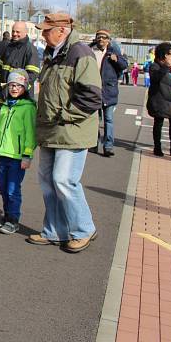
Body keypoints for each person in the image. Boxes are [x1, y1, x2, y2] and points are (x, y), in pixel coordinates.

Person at [28, 13, 101, 253]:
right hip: (51, 130)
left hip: (71, 131)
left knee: (64, 180)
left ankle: (84, 229)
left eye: (46, 30)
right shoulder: (52, 54)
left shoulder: (80, 53)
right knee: (48, 182)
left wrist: (64, 116)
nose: (42, 34)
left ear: (62, 30)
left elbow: (91, 96)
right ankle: (54, 231)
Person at [0, 68, 36, 235]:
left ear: (25, 88)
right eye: (11, 85)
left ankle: (13, 220)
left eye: (18, 86)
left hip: (17, 157)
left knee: (12, 189)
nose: (14, 89)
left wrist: (27, 155)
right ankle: (7, 214)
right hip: (3, 155)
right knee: (3, 188)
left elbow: (30, 134)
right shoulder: (4, 106)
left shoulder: (28, 107)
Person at [89, 29, 128, 157]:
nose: (101, 40)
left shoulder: (113, 51)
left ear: (108, 40)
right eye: (99, 37)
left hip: (109, 90)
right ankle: (93, 144)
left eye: (104, 38)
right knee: (94, 120)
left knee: (109, 119)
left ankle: (108, 146)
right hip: (93, 90)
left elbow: (124, 65)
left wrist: (116, 59)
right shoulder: (89, 51)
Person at [146, 42, 171, 157]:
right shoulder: (155, 66)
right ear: (164, 55)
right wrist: (166, 66)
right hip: (160, 99)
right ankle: (157, 147)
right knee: (158, 123)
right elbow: (155, 78)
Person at [0, 21, 41, 112]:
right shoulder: (8, 47)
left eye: (18, 32)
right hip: (4, 97)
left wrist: (15, 91)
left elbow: (31, 76)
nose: (15, 34)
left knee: (16, 125)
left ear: (25, 32)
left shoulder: (30, 50)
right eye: (13, 31)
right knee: (2, 124)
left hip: (20, 100)